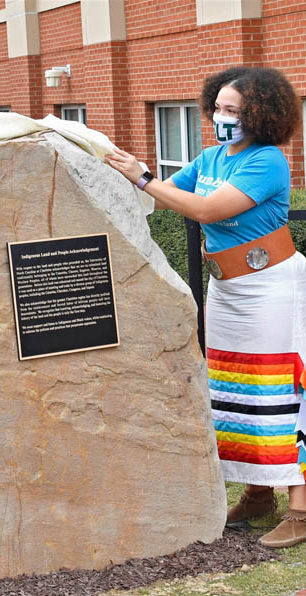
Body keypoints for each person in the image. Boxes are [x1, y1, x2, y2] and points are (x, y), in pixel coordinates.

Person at [106, 66, 306, 548]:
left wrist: (144, 175)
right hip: (228, 291)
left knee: (280, 391)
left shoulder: (268, 161)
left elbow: (202, 210)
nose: (221, 117)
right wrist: (115, 170)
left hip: (271, 288)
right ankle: (258, 495)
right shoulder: (211, 158)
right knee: (234, 388)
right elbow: (168, 193)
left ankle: (302, 510)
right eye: (217, 107)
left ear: (260, 114)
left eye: (232, 110)